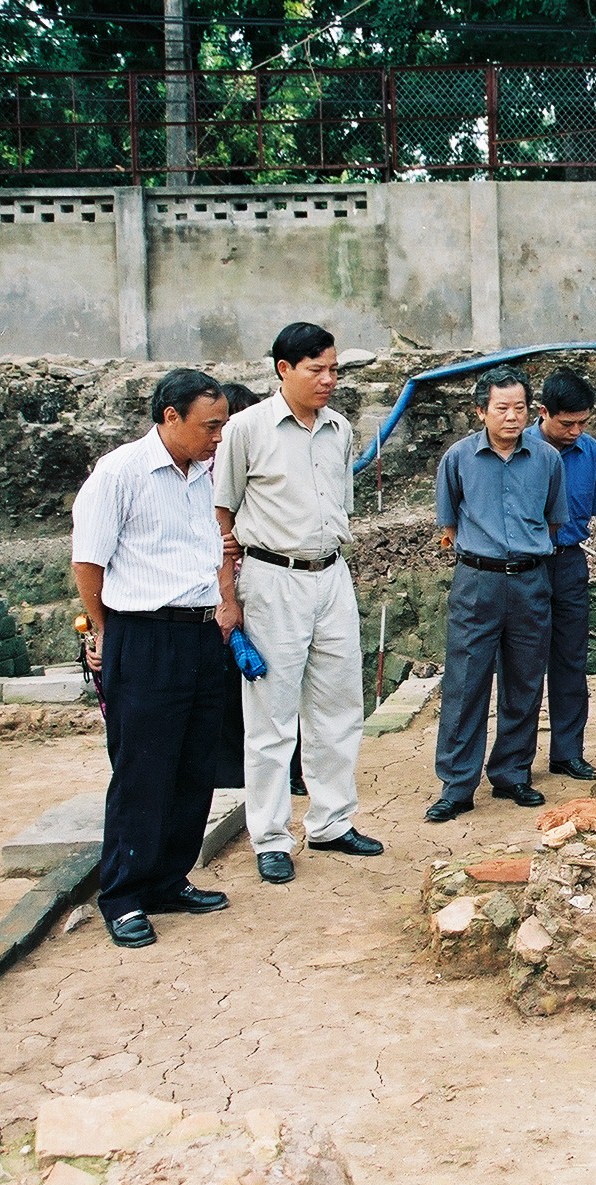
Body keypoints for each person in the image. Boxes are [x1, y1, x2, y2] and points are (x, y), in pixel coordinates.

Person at [214, 322, 382, 886]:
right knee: (271, 716)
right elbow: (221, 513)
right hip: (271, 578)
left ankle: (332, 821)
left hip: (330, 574)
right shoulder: (245, 429)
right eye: (317, 370)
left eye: (334, 369)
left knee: (338, 705)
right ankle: (269, 836)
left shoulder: (339, 430)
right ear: (283, 370)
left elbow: (342, 505)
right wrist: (228, 596)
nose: (329, 380)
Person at [71, 368, 233, 948]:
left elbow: (213, 549)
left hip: (199, 634)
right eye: (210, 426)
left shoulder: (203, 474)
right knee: (143, 769)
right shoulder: (120, 474)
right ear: (170, 418)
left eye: (223, 426)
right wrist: (108, 634)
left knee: (195, 765)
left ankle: (168, 878)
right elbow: (89, 564)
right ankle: (122, 895)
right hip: (142, 635)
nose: (219, 437)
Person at [426, 366, 568, 819]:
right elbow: (449, 521)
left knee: (525, 679)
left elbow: (553, 520)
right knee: (466, 680)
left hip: (530, 579)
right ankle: (457, 784)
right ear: (480, 411)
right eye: (501, 408)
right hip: (477, 580)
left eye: (520, 408)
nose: (512, 417)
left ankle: (512, 774)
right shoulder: (459, 458)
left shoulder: (546, 459)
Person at [212, 381, 306, 798]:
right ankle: (238, 773)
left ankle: (292, 770)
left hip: (265, 585)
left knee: (280, 681)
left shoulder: (267, 462)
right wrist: (222, 537)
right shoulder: (202, 474)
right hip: (218, 592)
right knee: (233, 690)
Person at [522, 367, 596, 781]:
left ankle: (567, 751)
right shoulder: (518, 449)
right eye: (566, 423)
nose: (576, 431)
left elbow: (592, 508)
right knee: (522, 662)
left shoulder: (590, 451)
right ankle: (517, 760)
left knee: (571, 659)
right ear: (543, 413)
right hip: (525, 564)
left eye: (583, 423)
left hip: (571, 563)